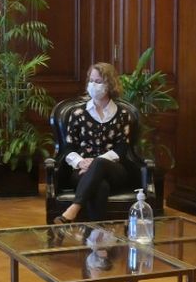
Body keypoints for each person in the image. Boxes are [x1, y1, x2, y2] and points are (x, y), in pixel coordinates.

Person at [53, 62, 140, 223]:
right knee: (101, 187)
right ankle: (97, 242)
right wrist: (80, 162)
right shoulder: (78, 114)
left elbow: (121, 149)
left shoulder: (122, 115)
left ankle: (74, 208)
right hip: (82, 171)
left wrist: (95, 162)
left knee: (99, 163)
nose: (93, 85)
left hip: (115, 170)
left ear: (110, 84)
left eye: (98, 81)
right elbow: (69, 148)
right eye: (91, 80)